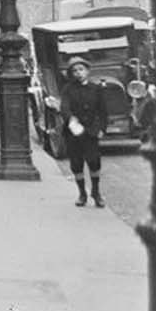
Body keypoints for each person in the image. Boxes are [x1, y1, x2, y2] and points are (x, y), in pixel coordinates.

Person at [59, 55, 110, 208]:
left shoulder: (96, 89)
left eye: (81, 69)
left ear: (87, 71)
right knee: (76, 163)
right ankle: (82, 193)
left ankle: (96, 192)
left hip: (91, 131)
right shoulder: (68, 89)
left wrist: (102, 128)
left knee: (94, 162)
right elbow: (64, 107)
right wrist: (71, 120)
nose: (78, 73)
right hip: (73, 133)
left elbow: (103, 111)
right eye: (74, 71)